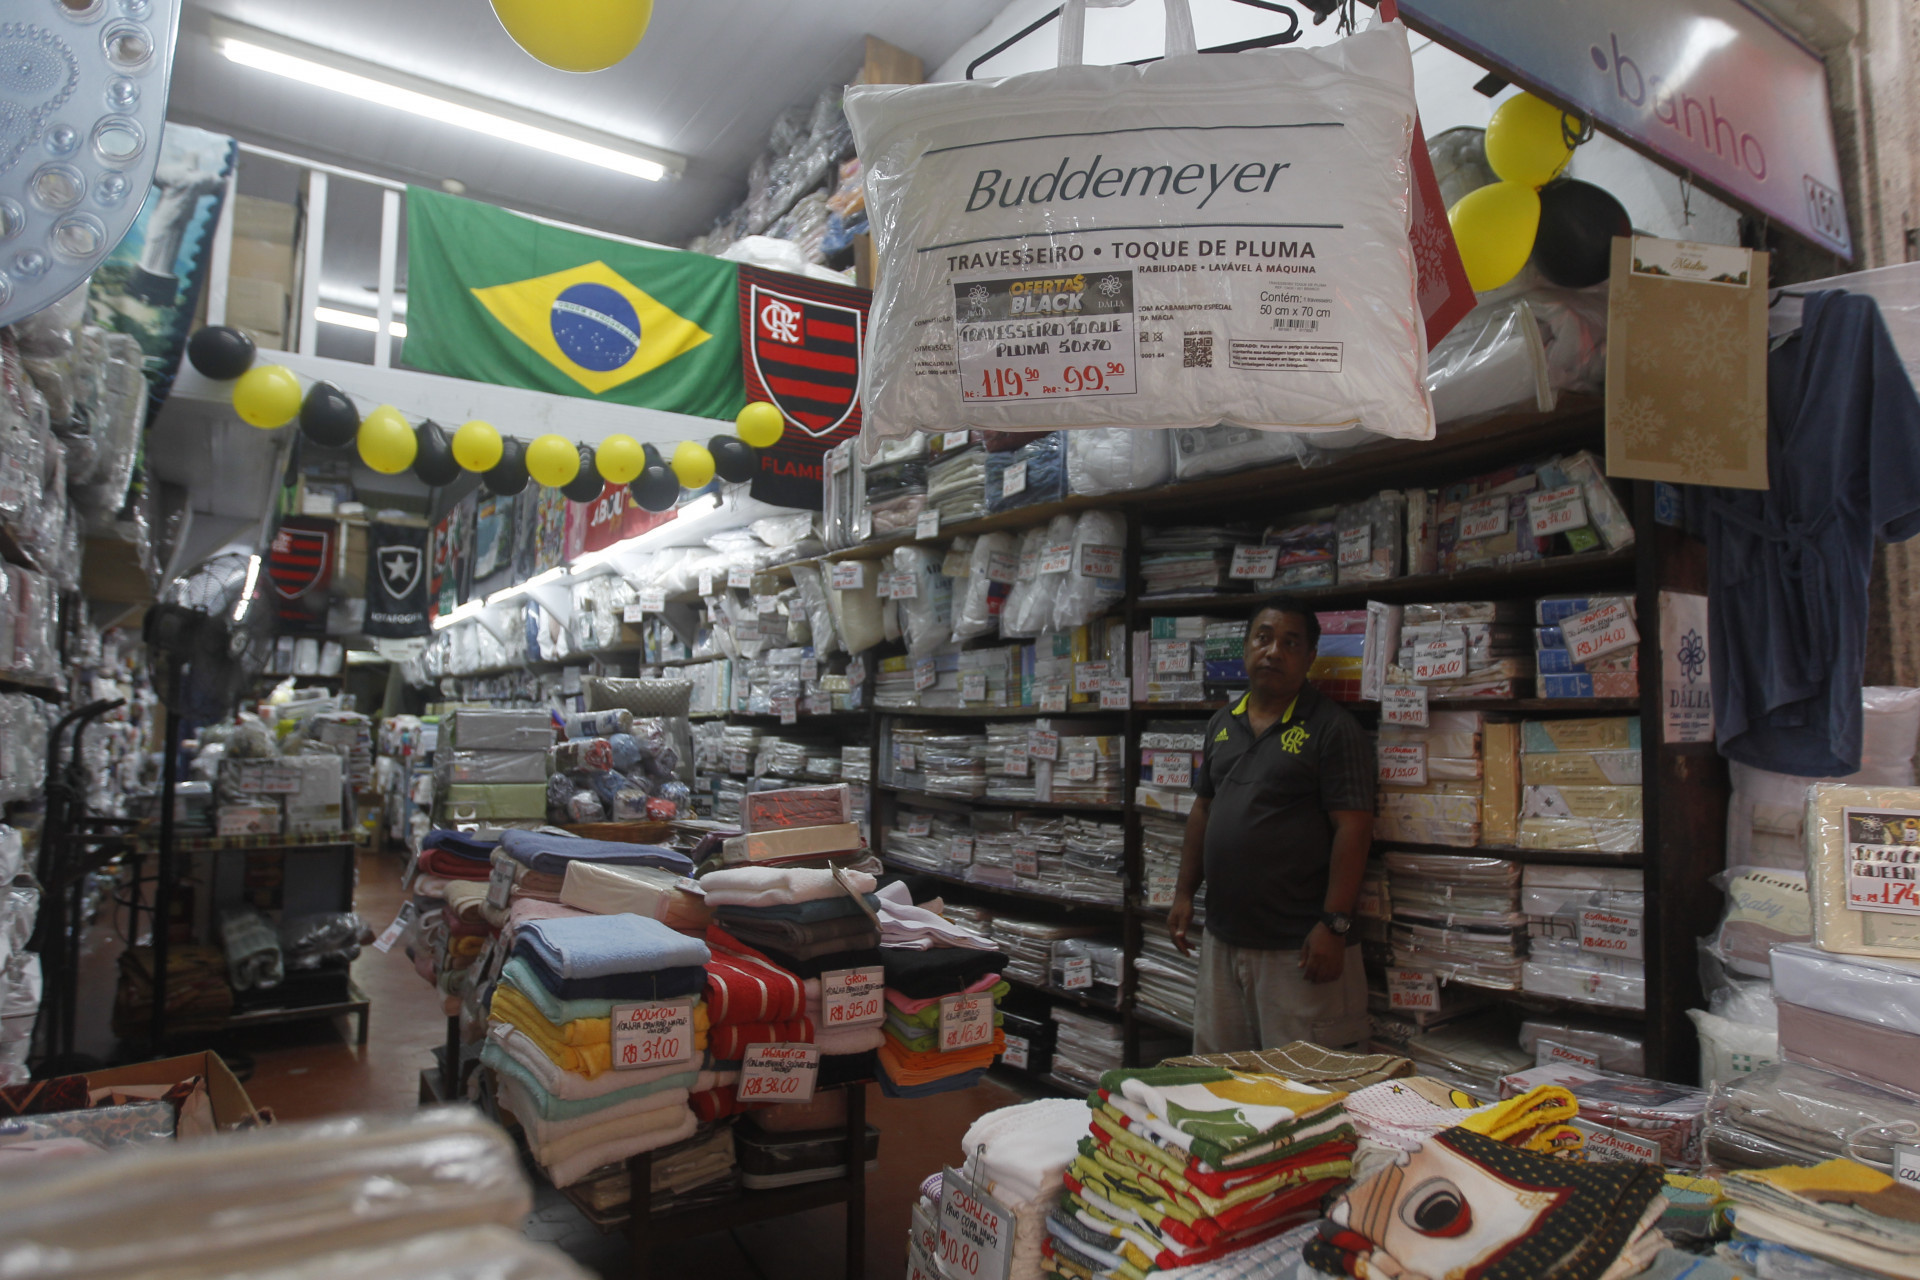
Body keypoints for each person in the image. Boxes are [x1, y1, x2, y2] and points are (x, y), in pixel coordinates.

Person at [1167, 597, 1375, 1054]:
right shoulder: (1223, 723)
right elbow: (1203, 809)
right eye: (1263, 638)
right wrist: (1184, 893)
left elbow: (1354, 830)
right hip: (1223, 940)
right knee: (1220, 1079)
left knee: (1303, 1091)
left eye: (1290, 642)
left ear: (1309, 658)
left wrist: (1334, 925)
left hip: (1298, 948)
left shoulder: (1333, 730)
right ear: (1245, 648)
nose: (1273, 651)